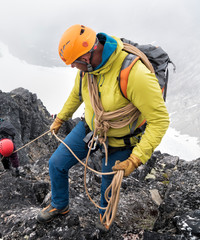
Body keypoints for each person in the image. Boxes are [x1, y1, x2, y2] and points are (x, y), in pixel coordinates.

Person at [36, 24, 169, 227]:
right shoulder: (86, 70)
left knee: (108, 185)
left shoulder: (133, 74)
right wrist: (61, 119)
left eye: (74, 63)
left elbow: (159, 120)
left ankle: (104, 219)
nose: (73, 67)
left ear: (87, 56)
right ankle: (59, 204)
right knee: (56, 163)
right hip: (91, 127)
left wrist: (135, 159)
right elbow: (77, 94)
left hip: (121, 139)